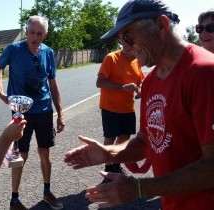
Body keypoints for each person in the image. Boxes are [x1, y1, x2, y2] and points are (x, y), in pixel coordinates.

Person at [63, 0, 214, 210]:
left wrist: (139, 189)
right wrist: (108, 152)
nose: (124, 46)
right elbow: (145, 142)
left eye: (128, 37)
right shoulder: (151, 82)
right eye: (121, 39)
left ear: (162, 25)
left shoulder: (204, 72)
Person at [0, 15, 65, 210]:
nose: (34, 36)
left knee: (44, 152)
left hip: (44, 110)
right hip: (21, 111)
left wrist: (60, 112)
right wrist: (1, 92)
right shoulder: (13, 50)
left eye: (39, 33)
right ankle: (14, 199)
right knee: (20, 155)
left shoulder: (48, 53)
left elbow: (52, 84)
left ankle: (47, 191)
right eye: (32, 32)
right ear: (26, 31)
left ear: (45, 34)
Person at [96, 40, 145, 180]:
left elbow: (140, 81)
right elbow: (100, 82)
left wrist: (139, 90)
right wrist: (123, 87)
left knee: (125, 139)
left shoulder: (136, 62)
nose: (136, 51)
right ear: (126, 45)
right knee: (110, 138)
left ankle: (116, 166)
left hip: (128, 108)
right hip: (110, 107)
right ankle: (108, 169)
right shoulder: (112, 58)